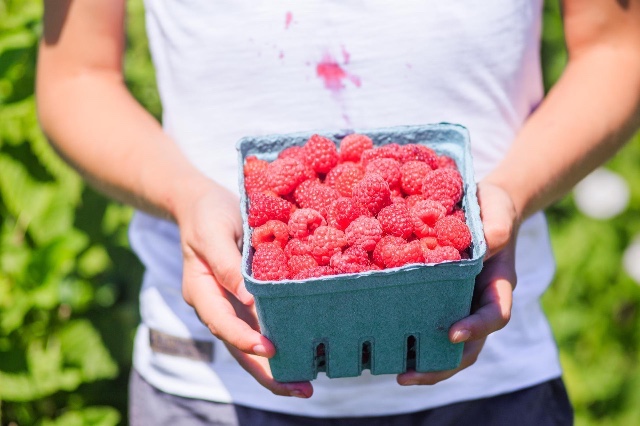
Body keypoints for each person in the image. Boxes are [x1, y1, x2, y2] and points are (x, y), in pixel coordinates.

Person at [37, 1, 640, 424]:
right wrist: (184, 196)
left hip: (492, 385)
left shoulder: (401, 207)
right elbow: (77, 77)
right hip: (206, 388)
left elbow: (617, 48)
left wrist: (509, 193)